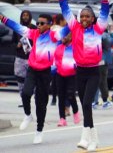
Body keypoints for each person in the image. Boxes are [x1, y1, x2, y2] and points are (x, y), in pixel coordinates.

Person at [52, 0, 109, 151]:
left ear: (93, 19)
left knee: (86, 104)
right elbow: (65, 9)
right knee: (86, 108)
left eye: (87, 16)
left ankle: (85, 138)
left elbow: (105, 13)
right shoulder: (74, 27)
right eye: (82, 16)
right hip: (80, 71)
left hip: (93, 72)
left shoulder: (98, 28)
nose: (84, 18)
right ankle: (94, 139)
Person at [0, 13, 67, 144]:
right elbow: (16, 27)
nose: (39, 26)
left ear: (49, 25)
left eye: (42, 23)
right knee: (25, 93)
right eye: (38, 23)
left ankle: (39, 130)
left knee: (40, 103)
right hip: (32, 69)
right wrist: (3, 18)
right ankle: (28, 115)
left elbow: (68, 29)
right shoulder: (34, 33)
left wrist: (73, 21)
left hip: (45, 72)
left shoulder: (54, 36)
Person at [54, 32, 80, 127]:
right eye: (62, 35)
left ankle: (76, 112)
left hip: (72, 75)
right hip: (60, 74)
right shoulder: (59, 47)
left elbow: (80, 59)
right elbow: (55, 61)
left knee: (70, 94)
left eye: (66, 35)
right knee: (60, 97)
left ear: (71, 36)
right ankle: (62, 119)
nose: (63, 37)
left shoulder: (76, 47)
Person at [12, 10, 36, 108]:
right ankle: (23, 100)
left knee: (30, 79)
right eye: (23, 15)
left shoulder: (34, 28)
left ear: (30, 17)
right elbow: (12, 41)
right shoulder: (17, 28)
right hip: (20, 58)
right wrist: (17, 45)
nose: (25, 17)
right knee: (19, 78)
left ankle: (31, 96)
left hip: (31, 58)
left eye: (27, 15)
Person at [93, 23, 113, 110]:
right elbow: (111, 42)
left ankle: (96, 100)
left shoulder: (92, 33)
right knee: (101, 81)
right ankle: (101, 100)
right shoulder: (103, 35)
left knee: (97, 80)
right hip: (101, 60)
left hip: (94, 59)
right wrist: (112, 32)